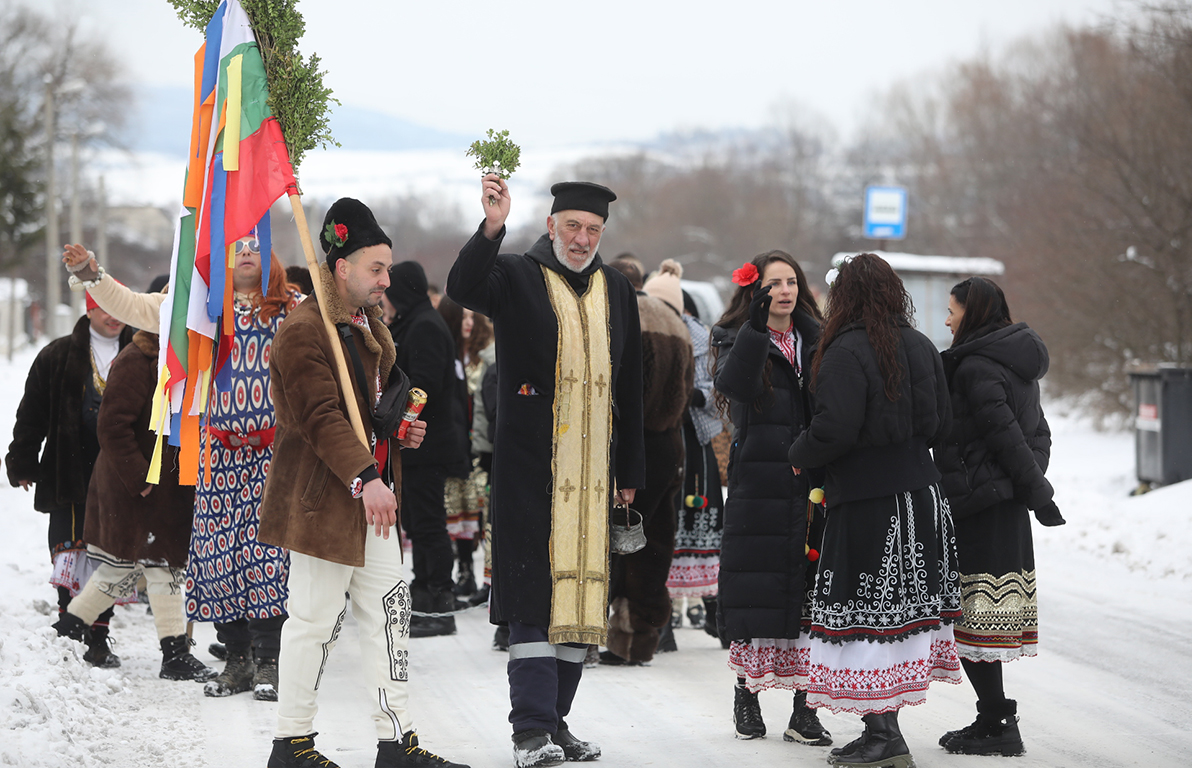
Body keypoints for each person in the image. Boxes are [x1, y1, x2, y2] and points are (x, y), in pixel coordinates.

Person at [257, 197, 465, 768]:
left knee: (390, 616)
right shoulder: (304, 331)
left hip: (372, 499)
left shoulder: (365, 326)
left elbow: (362, 409)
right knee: (314, 622)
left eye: (387, 268)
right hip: (325, 499)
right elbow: (321, 417)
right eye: (375, 268)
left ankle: (396, 742)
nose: (386, 280)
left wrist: (395, 430)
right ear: (341, 266)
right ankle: (292, 745)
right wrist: (365, 475)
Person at [447, 175, 645, 768]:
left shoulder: (616, 290)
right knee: (534, 599)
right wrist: (490, 226)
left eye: (593, 230)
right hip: (531, 472)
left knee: (582, 602)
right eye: (573, 227)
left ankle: (556, 723)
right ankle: (529, 731)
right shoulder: (514, 275)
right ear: (552, 225)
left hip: (595, 476)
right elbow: (462, 285)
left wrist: (630, 470)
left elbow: (630, 384)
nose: (582, 239)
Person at [61, 239, 297, 702]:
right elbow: (130, 305)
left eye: (256, 245)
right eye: (237, 245)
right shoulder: (198, 310)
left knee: (269, 560)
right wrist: (92, 273)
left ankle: (270, 660)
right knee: (220, 558)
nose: (247, 252)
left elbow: (337, 327)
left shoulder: (292, 309)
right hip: (216, 456)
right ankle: (237, 660)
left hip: (271, 457)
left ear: (271, 256)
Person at [788, 253, 960, 768]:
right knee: (897, 619)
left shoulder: (843, 350)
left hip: (868, 500)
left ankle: (882, 735)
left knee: (864, 620)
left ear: (845, 297)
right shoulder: (922, 344)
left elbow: (834, 429)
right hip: (921, 496)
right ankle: (886, 732)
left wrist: (799, 452)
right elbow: (941, 423)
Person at [933, 276, 1064, 756]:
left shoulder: (976, 368)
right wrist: (1021, 487)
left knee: (973, 619)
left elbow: (1007, 435)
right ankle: (993, 719)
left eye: (953, 310)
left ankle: (998, 724)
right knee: (980, 622)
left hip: (981, 510)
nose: (947, 320)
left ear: (975, 312)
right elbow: (1040, 434)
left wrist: (1033, 492)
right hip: (998, 504)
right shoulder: (1015, 362)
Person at [710, 250, 830, 747]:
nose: (785, 290)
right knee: (753, 586)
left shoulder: (821, 340)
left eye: (791, 282)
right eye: (774, 283)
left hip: (813, 484)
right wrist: (757, 331)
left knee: (812, 590)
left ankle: (805, 708)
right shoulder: (737, 337)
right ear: (755, 289)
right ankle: (747, 695)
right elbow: (733, 389)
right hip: (759, 478)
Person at [50, 324, 216, 682]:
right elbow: (111, 425)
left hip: (163, 491)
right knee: (161, 566)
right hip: (134, 489)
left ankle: (65, 630)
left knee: (121, 570)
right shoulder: (139, 359)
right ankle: (174, 654)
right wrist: (141, 479)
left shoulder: (194, 359)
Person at [6, 293, 135, 668]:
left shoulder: (141, 353)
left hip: (120, 472)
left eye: (119, 309)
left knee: (110, 553)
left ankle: (97, 635)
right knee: (70, 548)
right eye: (104, 309)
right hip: (69, 468)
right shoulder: (56, 355)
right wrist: (23, 461)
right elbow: (31, 413)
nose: (114, 317)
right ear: (89, 309)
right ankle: (70, 624)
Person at [601, 258, 692, 664]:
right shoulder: (675, 320)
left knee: (612, 546)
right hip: (669, 445)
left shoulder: (620, 318)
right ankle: (640, 640)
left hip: (629, 446)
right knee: (655, 544)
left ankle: (583, 638)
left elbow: (622, 393)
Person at [386, 260, 470, 637]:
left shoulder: (423, 327)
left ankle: (438, 603)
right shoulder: (414, 321)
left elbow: (423, 386)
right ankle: (424, 596)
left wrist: (398, 422)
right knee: (419, 523)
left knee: (429, 523)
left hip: (427, 441)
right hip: (421, 440)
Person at [662, 288, 725, 641]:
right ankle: (664, 614)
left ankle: (715, 610)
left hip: (696, 442)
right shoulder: (654, 335)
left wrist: (684, 394)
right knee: (665, 525)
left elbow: (716, 394)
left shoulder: (704, 341)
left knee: (704, 523)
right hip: (664, 440)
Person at [436, 297, 492, 599]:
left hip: (478, 449)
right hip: (456, 446)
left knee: (478, 513)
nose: (469, 322)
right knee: (455, 511)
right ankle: (464, 571)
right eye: (464, 316)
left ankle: (482, 574)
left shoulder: (485, 358)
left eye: (473, 316)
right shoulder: (449, 353)